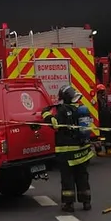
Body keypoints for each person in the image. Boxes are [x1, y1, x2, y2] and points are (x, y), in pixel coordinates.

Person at [43, 84, 95, 212]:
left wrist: (45, 114)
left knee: (68, 178)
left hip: (67, 152)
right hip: (82, 151)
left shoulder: (62, 110)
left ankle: (68, 204)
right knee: (82, 176)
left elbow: (55, 125)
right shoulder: (81, 109)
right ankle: (86, 202)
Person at [95, 84, 111, 157]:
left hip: (106, 119)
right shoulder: (96, 100)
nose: (103, 93)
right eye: (101, 92)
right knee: (101, 136)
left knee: (108, 135)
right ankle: (99, 151)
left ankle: (108, 149)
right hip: (100, 120)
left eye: (103, 91)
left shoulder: (104, 99)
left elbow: (107, 108)